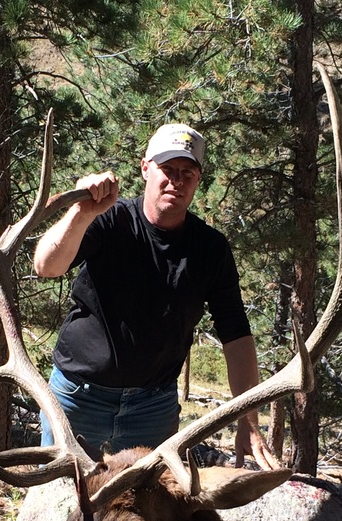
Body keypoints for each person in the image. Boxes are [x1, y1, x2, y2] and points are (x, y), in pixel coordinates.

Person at [33, 123, 279, 470]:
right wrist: (81, 213)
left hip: (153, 410)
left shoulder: (210, 249)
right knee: (63, 506)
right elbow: (46, 265)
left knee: (148, 518)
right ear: (146, 168)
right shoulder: (109, 220)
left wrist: (247, 420)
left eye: (187, 173)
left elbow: (236, 335)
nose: (175, 181)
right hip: (77, 401)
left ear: (198, 180)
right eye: (167, 170)